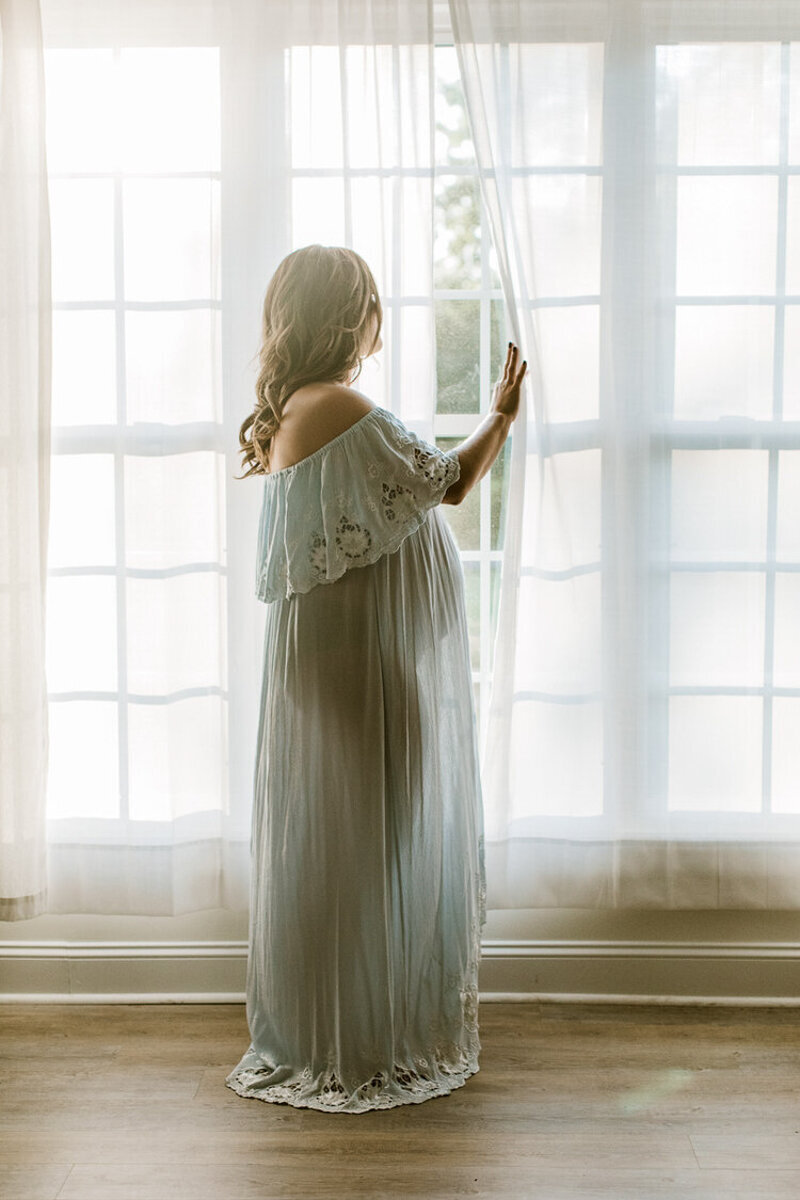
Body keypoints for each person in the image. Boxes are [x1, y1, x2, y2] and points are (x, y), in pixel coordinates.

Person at [226, 244, 526, 1113]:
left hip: (342, 664)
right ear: (342, 315)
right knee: (376, 847)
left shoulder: (297, 407)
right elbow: (449, 483)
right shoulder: (340, 407)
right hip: (359, 668)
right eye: (369, 304)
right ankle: (358, 1042)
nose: (377, 321)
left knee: (354, 845)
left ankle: (352, 1029)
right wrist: (502, 414)